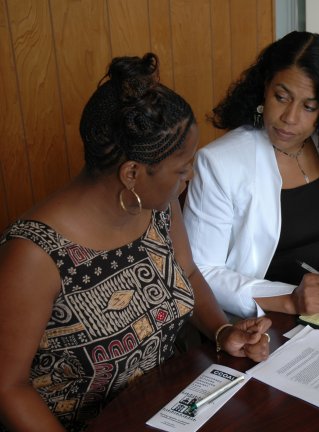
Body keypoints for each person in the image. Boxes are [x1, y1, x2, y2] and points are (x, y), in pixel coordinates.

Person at [0, 53, 270, 432]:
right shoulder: (34, 255)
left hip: (171, 408)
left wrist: (223, 331)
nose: (189, 176)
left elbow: (187, 273)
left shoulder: (157, 206)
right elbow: (8, 387)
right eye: (182, 168)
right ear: (132, 173)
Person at [183, 31, 319, 318]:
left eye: (308, 106)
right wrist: (290, 298)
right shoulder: (219, 163)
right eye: (281, 97)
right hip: (263, 321)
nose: (290, 118)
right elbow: (200, 271)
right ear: (264, 88)